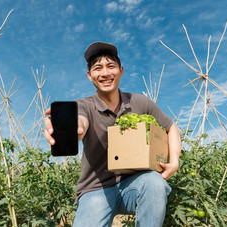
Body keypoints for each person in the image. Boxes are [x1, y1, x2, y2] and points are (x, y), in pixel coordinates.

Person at [44, 42, 181, 226]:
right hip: (95, 190)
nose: (105, 73)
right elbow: (80, 123)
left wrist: (174, 162)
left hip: (133, 184)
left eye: (111, 66)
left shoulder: (139, 102)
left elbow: (171, 127)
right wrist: (72, 130)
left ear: (121, 70)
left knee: (154, 183)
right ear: (89, 76)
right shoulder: (84, 106)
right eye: (98, 68)